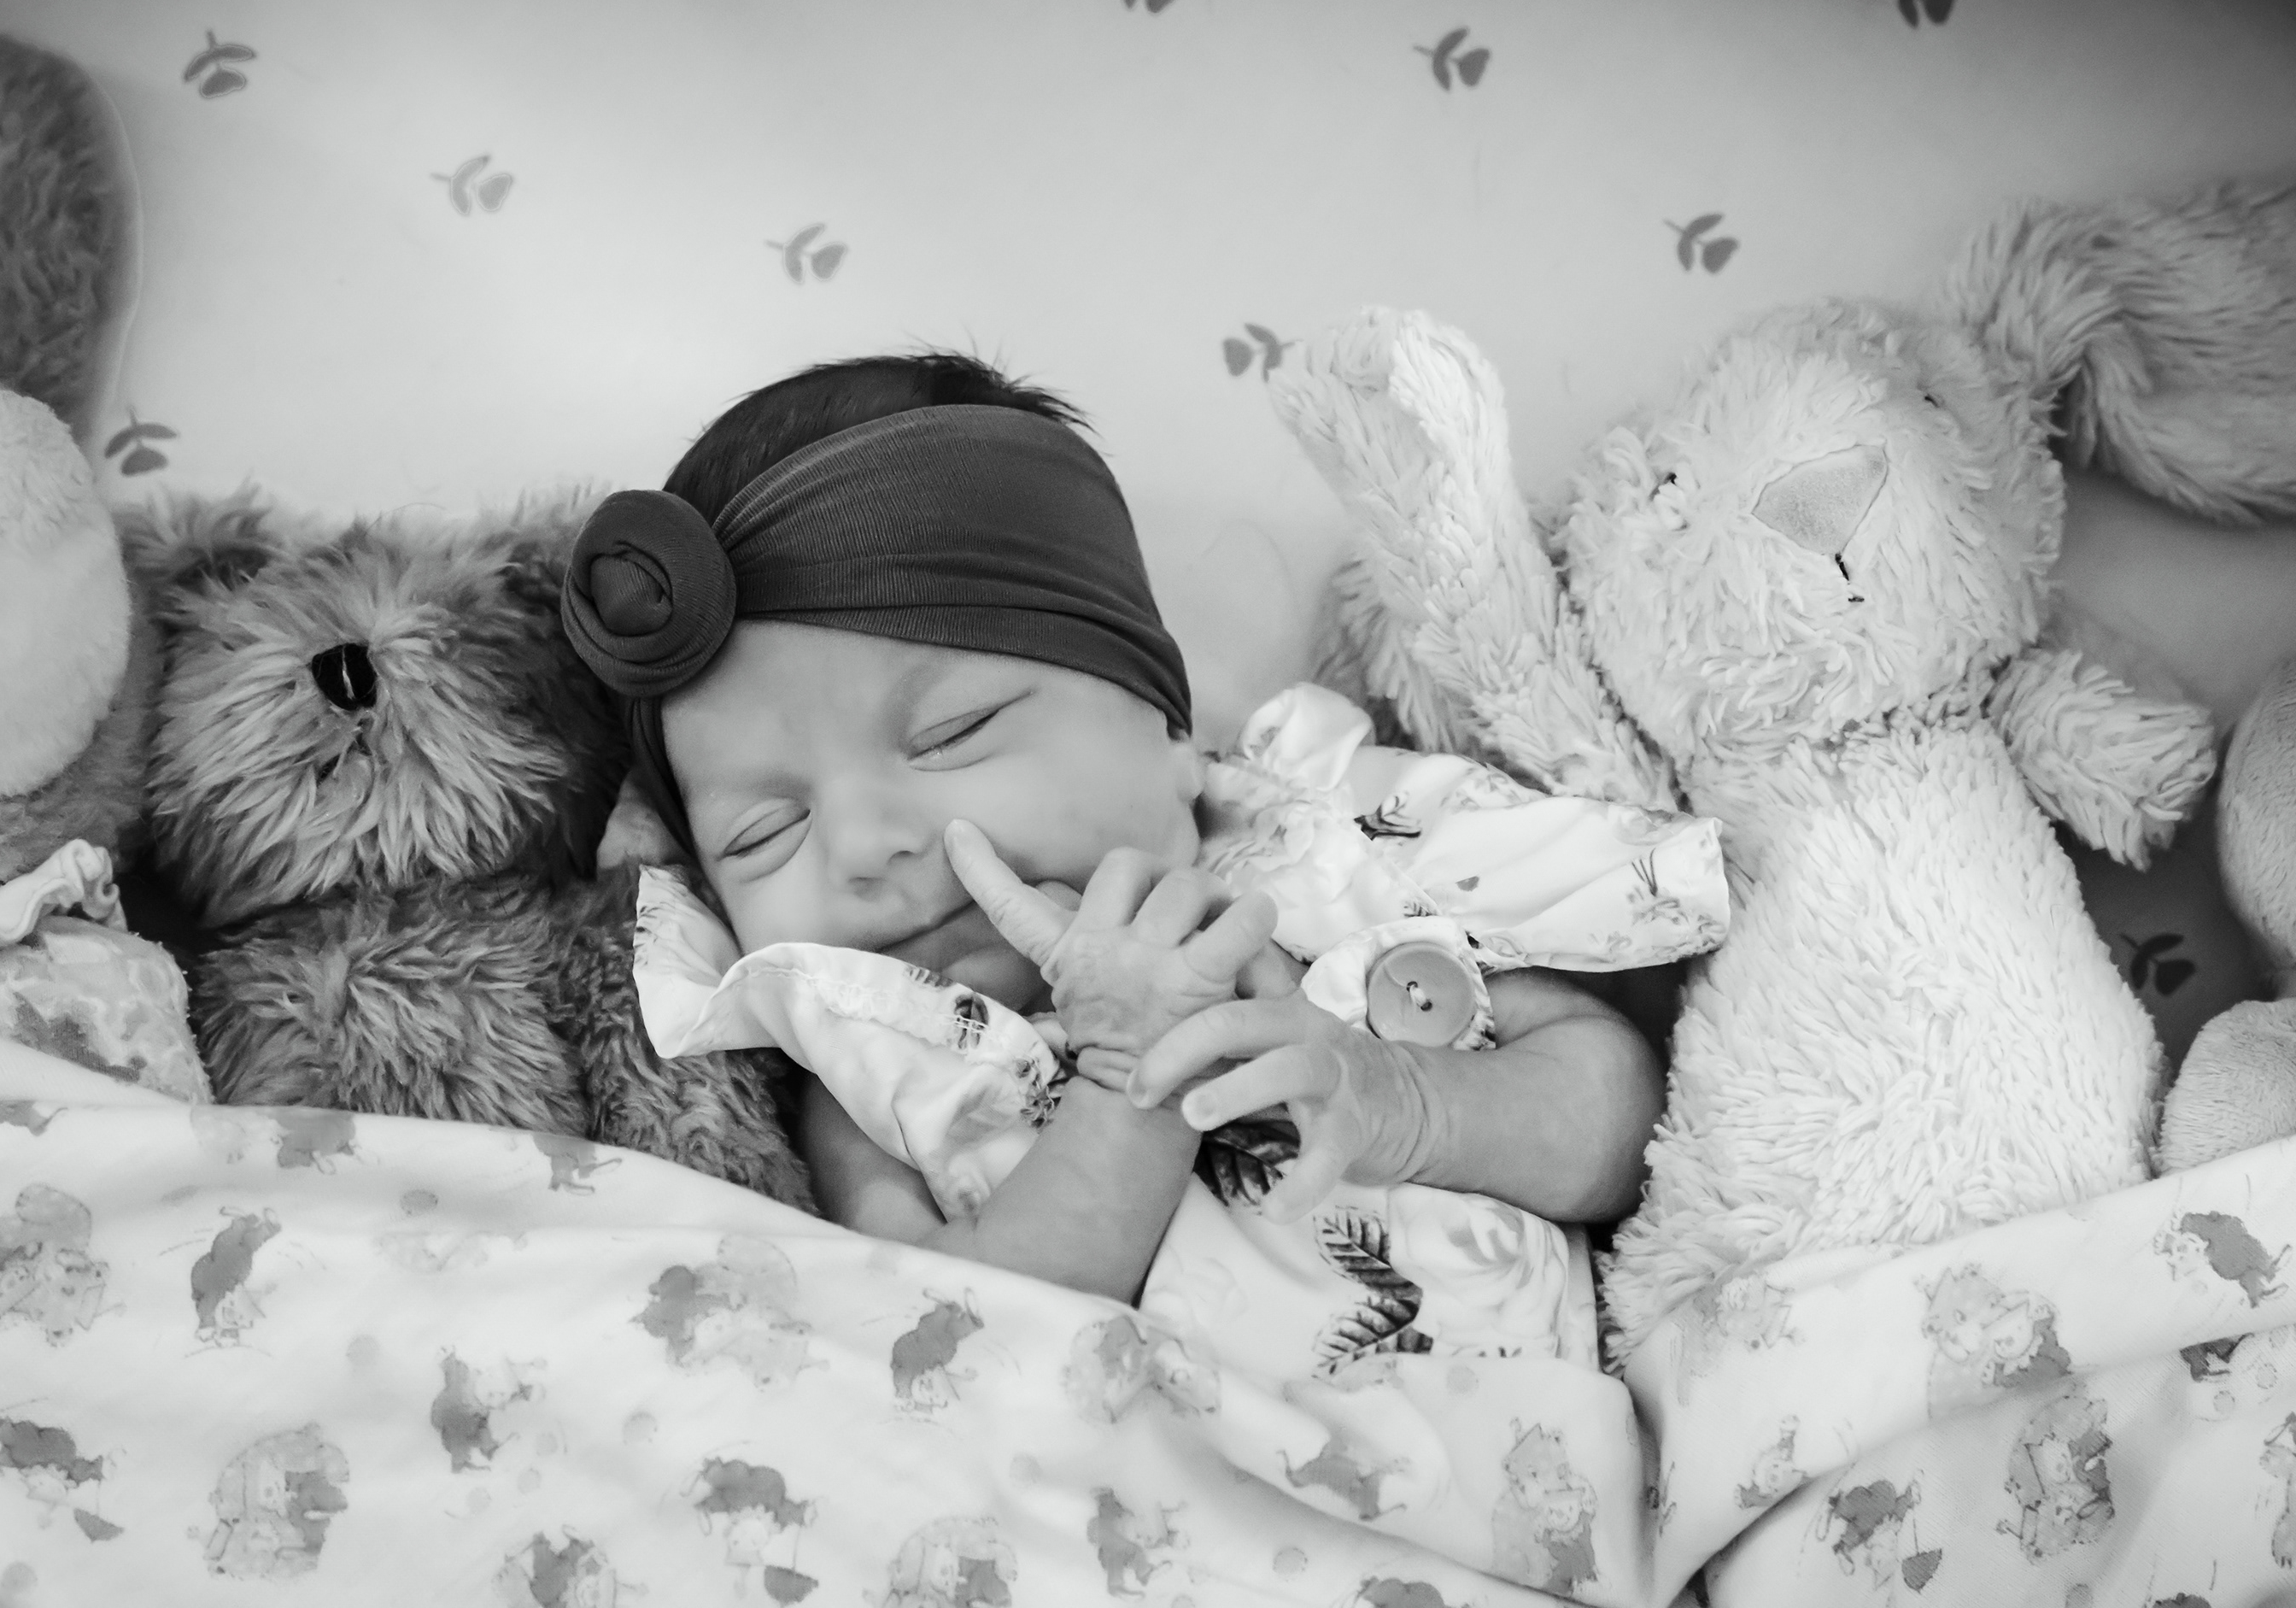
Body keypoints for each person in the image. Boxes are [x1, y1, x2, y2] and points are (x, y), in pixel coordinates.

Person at [563, 350, 1673, 1348]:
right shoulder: (871, 1061)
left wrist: (1408, 1103)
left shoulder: (1335, 854)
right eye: (764, 832)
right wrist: (1123, 1085)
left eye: (950, 734)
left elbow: (1624, 1115)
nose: (862, 845)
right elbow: (960, 1330)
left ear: (1168, 729)